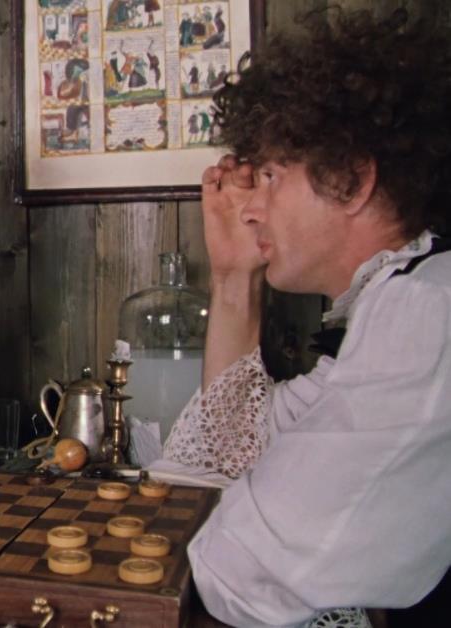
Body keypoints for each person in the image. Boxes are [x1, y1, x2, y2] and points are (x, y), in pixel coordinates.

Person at [162, 8, 451, 626]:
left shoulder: (426, 313)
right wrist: (234, 277)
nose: (251, 209)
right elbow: (235, 449)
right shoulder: (401, 299)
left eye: (269, 176)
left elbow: (242, 574)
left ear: (350, 179)